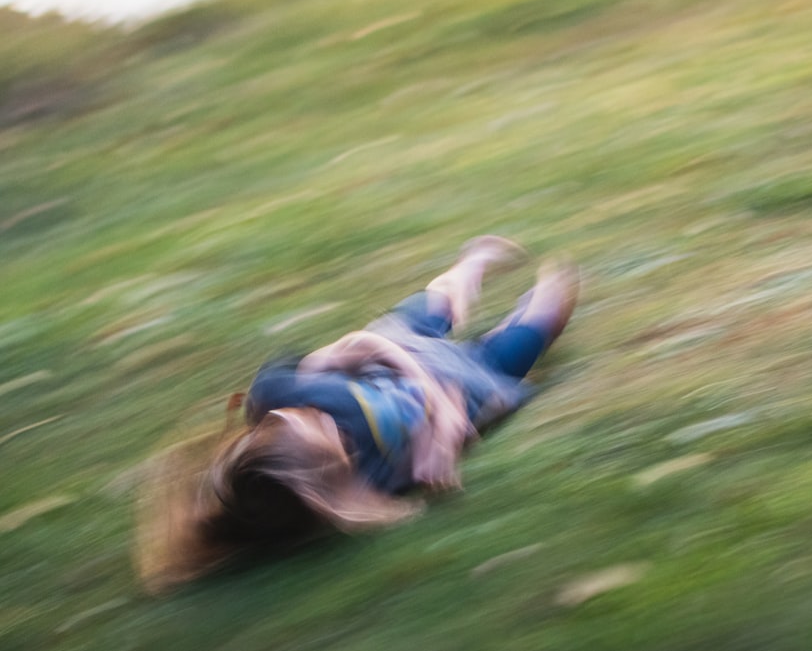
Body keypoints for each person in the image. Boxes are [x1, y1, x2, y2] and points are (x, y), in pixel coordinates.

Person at [136, 236, 578, 593]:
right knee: (538, 324)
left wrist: (420, 386)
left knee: (436, 303)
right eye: (339, 449)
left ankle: (471, 264)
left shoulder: (276, 393)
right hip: (465, 381)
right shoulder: (371, 480)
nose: (336, 429)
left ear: (270, 428)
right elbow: (449, 432)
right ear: (339, 479)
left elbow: (354, 345)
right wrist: (443, 434)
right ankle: (540, 302)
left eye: (311, 423)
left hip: (393, 350)